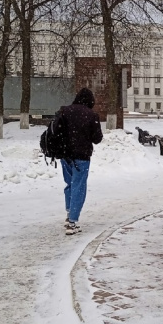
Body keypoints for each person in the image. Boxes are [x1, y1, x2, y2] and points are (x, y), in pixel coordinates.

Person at [57, 88, 103, 235]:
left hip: (65, 155)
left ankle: (69, 213)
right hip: (81, 157)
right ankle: (72, 222)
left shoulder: (64, 111)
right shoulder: (91, 115)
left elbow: (57, 131)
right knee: (79, 187)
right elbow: (97, 139)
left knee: (70, 184)